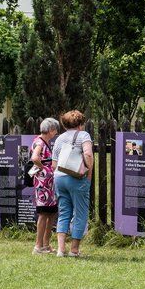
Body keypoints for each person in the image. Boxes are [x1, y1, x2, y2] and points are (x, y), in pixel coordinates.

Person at [52, 110, 94, 257]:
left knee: (63, 212)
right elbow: (88, 154)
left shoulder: (59, 139)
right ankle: (74, 250)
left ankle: (60, 250)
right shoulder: (84, 135)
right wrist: (88, 173)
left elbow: (54, 163)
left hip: (59, 178)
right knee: (80, 213)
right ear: (80, 124)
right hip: (76, 178)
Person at [31, 117, 61, 254]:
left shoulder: (44, 142)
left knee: (51, 213)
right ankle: (38, 246)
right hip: (43, 185)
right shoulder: (40, 142)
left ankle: (46, 244)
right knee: (43, 214)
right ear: (50, 130)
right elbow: (35, 158)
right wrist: (45, 169)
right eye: (55, 130)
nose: (55, 132)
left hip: (49, 184)